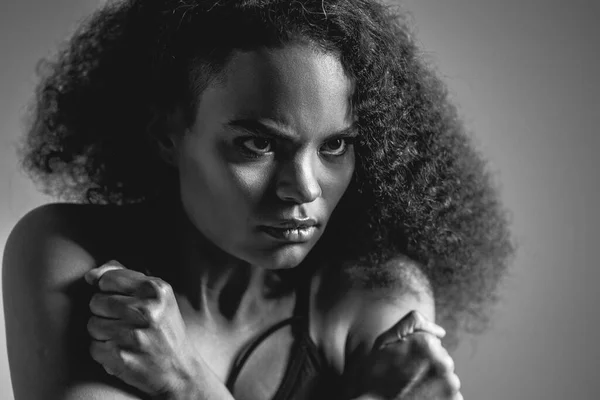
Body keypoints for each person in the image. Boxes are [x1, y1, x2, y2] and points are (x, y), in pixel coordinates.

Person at [3, 0, 514, 399]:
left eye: (335, 145)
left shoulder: (375, 297)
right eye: (259, 144)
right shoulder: (68, 256)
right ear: (166, 134)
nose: (305, 189)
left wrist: (185, 383)